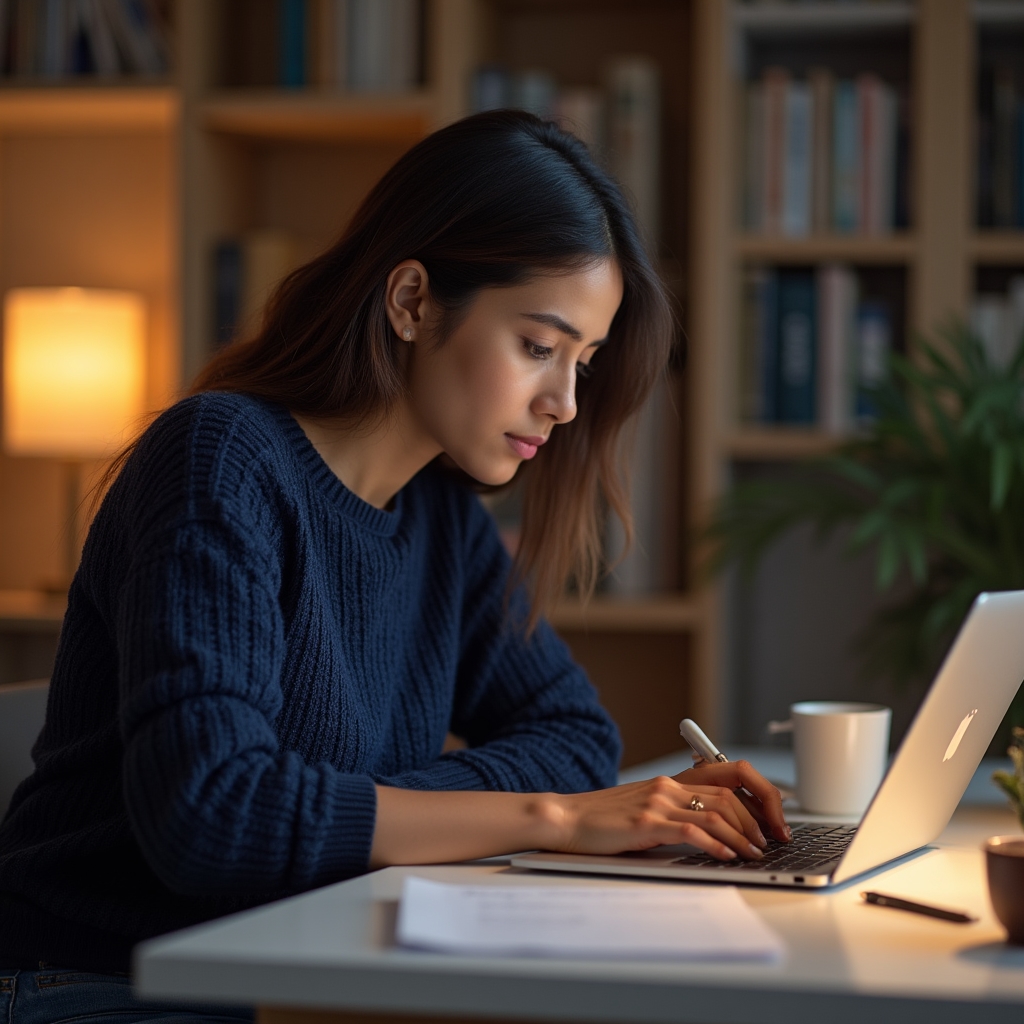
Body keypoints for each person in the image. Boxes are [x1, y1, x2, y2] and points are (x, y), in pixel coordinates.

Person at [0, 111, 789, 1021]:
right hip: (96, 984)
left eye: (585, 361)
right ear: (412, 300)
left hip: (286, 967)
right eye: (538, 347)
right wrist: (557, 818)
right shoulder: (218, 459)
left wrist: (345, 810)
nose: (566, 402)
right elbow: (213, 814)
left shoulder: (438, 514)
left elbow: (574, 737)